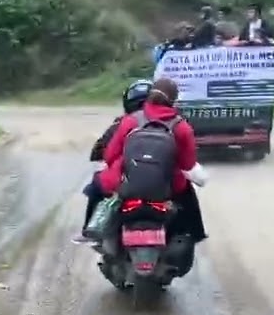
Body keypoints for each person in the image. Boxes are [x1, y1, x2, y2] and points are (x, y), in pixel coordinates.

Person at [96, 77, 209, 268]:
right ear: (174, 100)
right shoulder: (181, 127)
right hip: (167, 190)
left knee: (102, 194)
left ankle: (95, 233)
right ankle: (197, 233)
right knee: (188, 196)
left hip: (127, 186)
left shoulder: (130, 121)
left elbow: (109, 155)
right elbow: (188, 164)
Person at [76, 80, 153, 241]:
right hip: (163, 184)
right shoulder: (170, 122)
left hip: (124, 183)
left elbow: (104, 153)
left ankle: (89, 230)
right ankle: (193, 229)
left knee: (96, 185)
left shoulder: (121, 124)